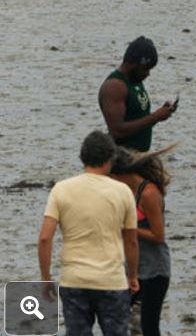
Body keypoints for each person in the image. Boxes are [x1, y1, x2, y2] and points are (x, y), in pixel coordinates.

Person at [38, 131, 139, 336]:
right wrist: (133, 276)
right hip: (111, 280)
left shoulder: (61, 189)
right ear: (110, 159)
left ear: (83, 157)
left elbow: (45, 238)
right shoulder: (123, 192)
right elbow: (131, 242)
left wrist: (46, 277)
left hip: (74, 280)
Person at [111, 146, 174, 336]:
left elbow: (158, 236)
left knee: (149, 326)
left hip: (155, 270)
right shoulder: (125, 191)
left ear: (120, 173)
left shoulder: (149, 193)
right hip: (132, 268)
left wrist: (128, 229)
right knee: (117, 319)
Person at [99, 36, 176, 153]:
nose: (148, 74)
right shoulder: (114, 86)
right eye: (145, 69)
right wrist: (155, 116)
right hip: (122, 160)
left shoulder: (136, 80)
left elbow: (139, 121)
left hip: (140, 157)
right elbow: (117, 130)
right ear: (133, 64)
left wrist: (160, 115)